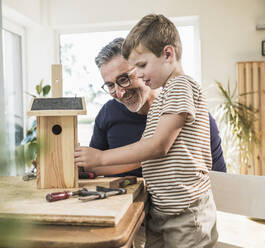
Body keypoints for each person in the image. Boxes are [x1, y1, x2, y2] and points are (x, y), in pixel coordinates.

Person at [75, 14, 218, 247]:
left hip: (185, 213)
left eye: (140, 66)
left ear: (168, 54)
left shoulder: (181, 86)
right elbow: (140, 158)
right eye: (110, 84)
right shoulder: (162, 103)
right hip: (160, 211)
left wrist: (100, 156)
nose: (139, 73)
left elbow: (157, 146)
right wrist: (84, 162)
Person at [89, 37, 226, 177]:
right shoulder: (107, 113)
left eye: (124, 79)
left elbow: (218, 179)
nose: (119, 92)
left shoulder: (192, 113)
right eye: (110, 85)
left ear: (143, 70)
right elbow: (92, 168)